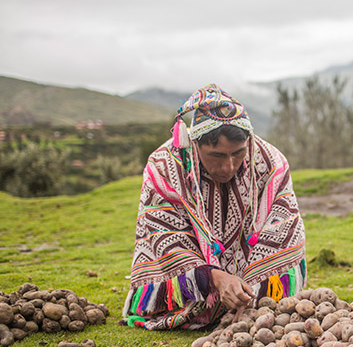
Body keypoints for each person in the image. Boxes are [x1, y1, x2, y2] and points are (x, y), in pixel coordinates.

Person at [123, 84, 306, 330]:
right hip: (196, 286)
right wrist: (213, 277)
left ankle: (247, 300)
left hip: (250, 278)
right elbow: (163, 234)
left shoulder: (271, 162)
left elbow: (283, 226)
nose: (229, 167)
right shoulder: (164, 166)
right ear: (195, 144)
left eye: (238, 154)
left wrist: (250, 286)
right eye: (217, 156)